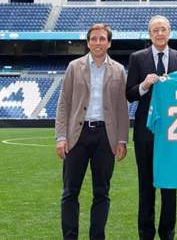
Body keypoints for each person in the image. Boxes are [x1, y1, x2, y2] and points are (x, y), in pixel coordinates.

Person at [55, 23, 130, 240]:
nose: (98, 43)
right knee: (70, 192)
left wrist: (122, 140)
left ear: (109, 43)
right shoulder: (73, 67)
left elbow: (121, 108)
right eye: (94, 39)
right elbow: (63, 104)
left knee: (102, 193)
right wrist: (61, 137)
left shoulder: (118, 70)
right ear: (88, 42)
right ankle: (70, 236)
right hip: (77, 136)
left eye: (102, 39)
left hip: (106, 137)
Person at [126, 15, 177, 240]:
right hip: (146, 132)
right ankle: (145, 233)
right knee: (146, 186)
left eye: (163, 29)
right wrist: (144, 85)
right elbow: (129, 93)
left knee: (170, 186)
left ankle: (168, 233)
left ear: (170, 32)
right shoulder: (137, 58)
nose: (160, 33)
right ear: (150, 34)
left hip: (174, 132)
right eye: (155, 30)